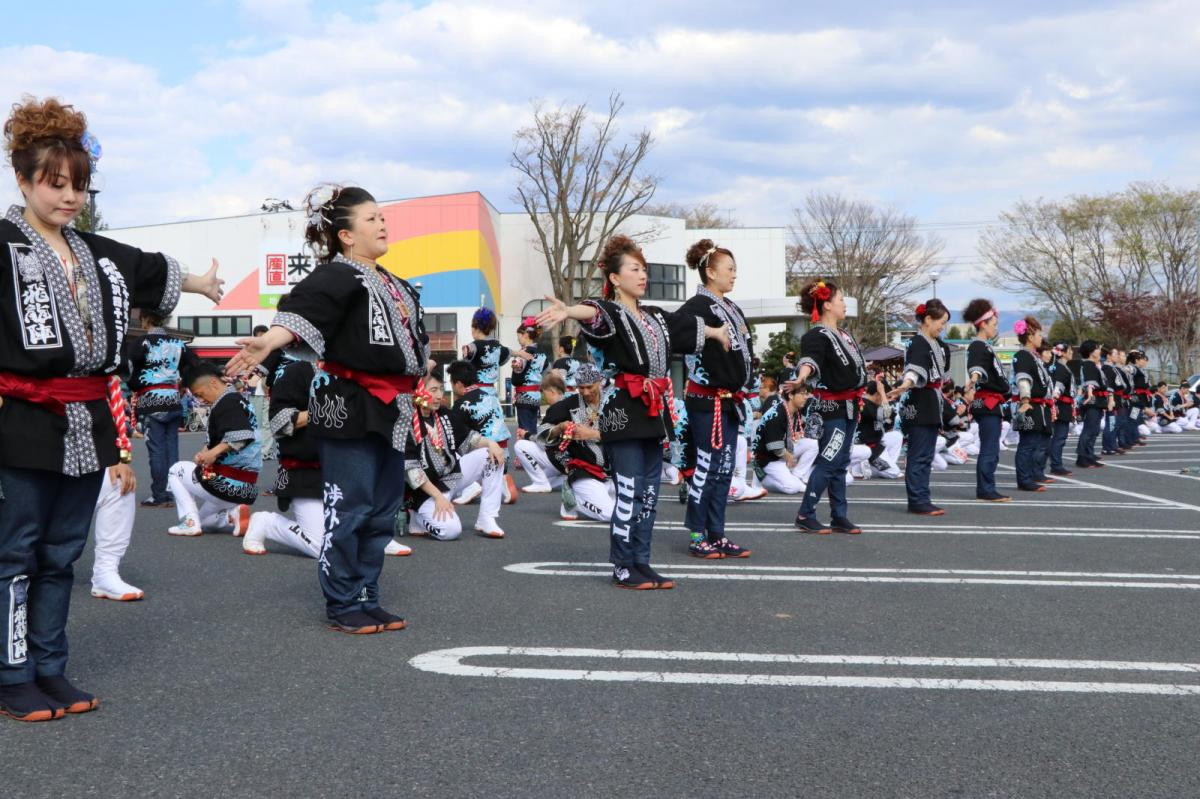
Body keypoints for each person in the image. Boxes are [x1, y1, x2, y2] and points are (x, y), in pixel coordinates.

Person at [0, 96, 224, 721]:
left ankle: (50, 668)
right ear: (23, 179)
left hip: (88, 419)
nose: (70, 197)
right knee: (15, 550)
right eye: (55, 184)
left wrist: (203, 283)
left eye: (79, 186)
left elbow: (152, 269)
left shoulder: (95, 250)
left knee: (62, 551)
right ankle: (11, 673)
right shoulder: (3, 245)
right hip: (20, 416)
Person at [226, 184, 428, 635]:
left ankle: (366, 595)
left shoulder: (393, 282)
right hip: (350, 402)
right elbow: (302, 313)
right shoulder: (336, 275)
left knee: (382, 509)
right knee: (350, 506)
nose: (382, 224)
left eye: (382, 216)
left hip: (393, 406)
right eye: (371, 218)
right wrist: (269, 341)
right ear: (346, 236)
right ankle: (342, 601)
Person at [535, 234, 730, 589]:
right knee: (628, 491)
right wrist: (568, 310)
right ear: (614, 278)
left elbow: (685, 328)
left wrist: (716, 332)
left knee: (650, 494)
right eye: (634, 269)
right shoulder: (611, 312)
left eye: (644, 269)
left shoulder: (654, 315)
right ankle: (623, 565)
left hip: (654, 411)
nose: (643, 275)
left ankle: (642, 561)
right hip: (622, 410)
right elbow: (592, 314)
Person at [678, 239, 755, 559]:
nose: (734, 275)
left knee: (724, 470)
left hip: (728, 401)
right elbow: (679, 332)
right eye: (729, 269)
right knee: (708, 467)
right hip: (707, 400)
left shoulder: (731, 307)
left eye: (735, 269)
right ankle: (698, 534)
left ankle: (717, 532)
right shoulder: (696, 307)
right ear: (710, 272)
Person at [785, 280, 869, 533]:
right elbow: (811, 360)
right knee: (829, 460)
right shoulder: (816, 335)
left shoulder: (845, 335)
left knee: (842, 461)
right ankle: (805, 513)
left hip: (850, 405)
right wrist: (801, 376)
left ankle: (839, 515)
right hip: (831, 407)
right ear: (827, 304)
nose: (844, 304)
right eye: (841, 299)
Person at [403, 373, 506, 540]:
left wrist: (491, 444)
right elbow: (411, 471)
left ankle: (487, 518)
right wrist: (437, 497)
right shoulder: (407, 421)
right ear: (418, 391)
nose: (439, 395)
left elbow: (469, 439)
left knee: (491, 455)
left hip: (450, 478)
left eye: (441, 389)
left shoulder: (443, 413)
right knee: (450, 531)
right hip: (424, 492)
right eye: (433, 390)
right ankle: (418, 516)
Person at [166, 365, 259, 536]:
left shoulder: (227, 402)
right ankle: (233, 515)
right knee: (207, 524)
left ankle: (189, 521)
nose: (200, 400)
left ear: (214, 383)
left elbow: (241, 436)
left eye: (200, 394)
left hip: (226, 483)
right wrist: (205, 452)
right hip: (247, 487)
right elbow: (220, 439)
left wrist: (211, 453)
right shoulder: (237, 399)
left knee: (175, 470)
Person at [125, 310, 196, 507]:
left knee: (156, 450)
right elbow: (194, 365)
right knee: (172, 449)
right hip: (173, 399)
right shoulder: (178, 343)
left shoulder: (141, 343)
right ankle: (173, 491)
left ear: (145, 319)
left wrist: (133, 385)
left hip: (151, 400)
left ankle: (158, 494)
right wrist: (183, 385)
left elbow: (128, 368)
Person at [889, 299, 952, 516]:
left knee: (926, 454)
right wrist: (905, 384)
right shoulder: (917, 343)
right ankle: (917, 500)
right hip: (920, 400)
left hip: (931, 401)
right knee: (919, 454)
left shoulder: (935, 344)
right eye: (941, 322)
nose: (942, 327)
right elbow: (913, 370)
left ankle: (922, 497)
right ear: (927, 320)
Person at [537, 363, 616, 523]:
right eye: (581, 388)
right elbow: (542, 433)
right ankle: (573, 500)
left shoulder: (614, 402)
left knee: (635, 512)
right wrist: (560, 428)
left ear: (600, 381)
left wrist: (594, 433)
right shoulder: (567, 406)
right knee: (612, 515)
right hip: (585, 471)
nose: (585, 392)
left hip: (617, 471)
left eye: (589, 387)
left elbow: (629, 432)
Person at [444, 362, 508, 537]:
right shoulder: (492, 397)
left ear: (458, 384)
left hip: (480, 454)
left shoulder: (461, 405)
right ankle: (487, 515)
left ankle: (474, 491)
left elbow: (454, 440)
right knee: (491, 456)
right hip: (502, 454)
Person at [961, 298, 1010, 501]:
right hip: (988, 401)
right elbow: (976, 366)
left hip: (992, 402)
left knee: (991, 447)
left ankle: (987, 487)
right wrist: (973, 379)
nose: (995, 328)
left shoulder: (984, 346)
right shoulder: (978, 346)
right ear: (983, 324)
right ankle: (985, 489)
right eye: (994, 324)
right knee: (989, 447)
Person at [1010, 317, 1053, 491]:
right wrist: (1026, 400)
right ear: (1029, 336)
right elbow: (1023, 379)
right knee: (1027, 444)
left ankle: (1030, 476)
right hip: (1028, 405)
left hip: (1038, 406)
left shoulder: (1032, 356)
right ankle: (1024, 479)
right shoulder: (1022, 356)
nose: (1040, 338)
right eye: (1038, 334)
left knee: (1033, 443)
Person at [753, 384, 819, 494]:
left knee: (813, 444)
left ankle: (797, 475)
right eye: (802, 394)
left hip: (784, 450)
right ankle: (763, 480)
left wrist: (796, 434)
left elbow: (789, 434)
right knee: (792, 488)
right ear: (791, 395)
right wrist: (787, 456)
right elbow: (772, 444)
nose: (806, 397)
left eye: (806, 394)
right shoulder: (777, 413)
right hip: (769, 457)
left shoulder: (794, 411)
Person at [513, 371, 567, 494]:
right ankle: (567, 480)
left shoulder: (554, 410)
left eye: (543, 392)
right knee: (546, 476)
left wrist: (525, 435)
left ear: (552, 392)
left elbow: (542, 442)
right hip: (571, 460)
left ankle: (540, 483)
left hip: (559, 457)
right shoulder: (569, 403)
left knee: (520, 446)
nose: (542, 396)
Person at [855, 376, 902, 479]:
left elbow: (890, 417)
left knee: (896, 436)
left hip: (877, 443)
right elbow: (887, 414)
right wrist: (882, 392)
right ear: (877, 394)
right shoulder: (863, 404)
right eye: (882, 395)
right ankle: (862, 467)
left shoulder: (871, 403)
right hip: (868, 448)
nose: (884, 399)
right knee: (894, 472)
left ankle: (884, 465)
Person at [510, 316, 547, 438]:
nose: (518, 340)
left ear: (525, 334)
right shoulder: (542, 353)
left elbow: (516, 372)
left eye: (518, 336)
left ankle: (527, 453)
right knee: (533, 429)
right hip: (536, 397)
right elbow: (546, 370)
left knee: (524, 431)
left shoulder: (523, 353)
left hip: (524, 397)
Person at [1075, 340, 1108, 468]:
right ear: (1091, 352)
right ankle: (1082, 457)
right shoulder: (1088, 364)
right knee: (1089, 430)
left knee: (1094, 430)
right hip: (1092, 401)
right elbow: (1090, 383)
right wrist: (1089, 393)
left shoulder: (1093, 365)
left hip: (1097, 401)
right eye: (1097, 348)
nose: (1099, 351)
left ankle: (1089, 455)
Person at [1047, 343, 1076, 476]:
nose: (1072, 352)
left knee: (1058, 436)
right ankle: (1056, 465)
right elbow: (1057, 387)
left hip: (1061, 404)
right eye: (1070, 350)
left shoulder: (1059, 367)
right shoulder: (1060, 368)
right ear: (1063, 353)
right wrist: (1055, 400)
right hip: (1061, 405)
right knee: (1059, 436)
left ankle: (1055, 463)